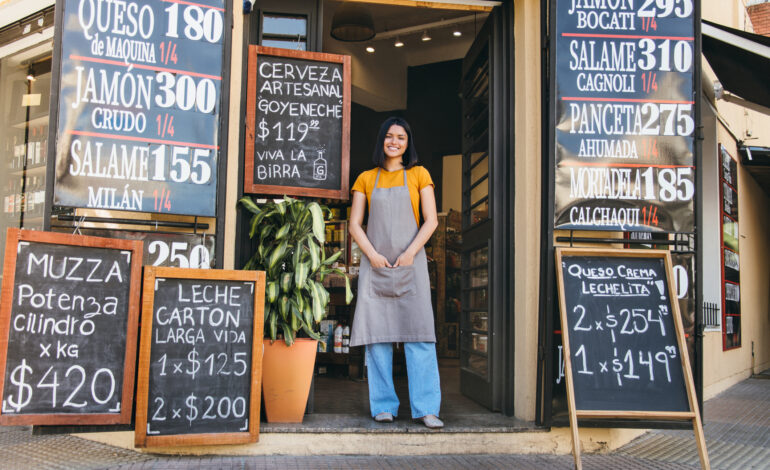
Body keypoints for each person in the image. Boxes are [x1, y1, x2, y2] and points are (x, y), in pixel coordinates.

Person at [348, 117, 443, 429]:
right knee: (378, 338)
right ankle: (383, 406)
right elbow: (354, 224)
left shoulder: (419, 174)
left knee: (420, 336)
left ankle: (427, 408)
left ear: (407, 143)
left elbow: (431, 220)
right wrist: (372, 255)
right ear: (382, 141)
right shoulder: (365, 178)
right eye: (389, 137)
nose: (394, 142)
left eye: (401, 137)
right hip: (376, 267)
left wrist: (409, 253)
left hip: (410, 265)